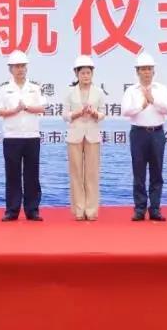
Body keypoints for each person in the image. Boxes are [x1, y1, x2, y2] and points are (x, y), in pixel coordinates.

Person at [0, 51, 46, 222]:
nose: (20, 69)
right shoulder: (4, 89)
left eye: (23, 66)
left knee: (32, 175)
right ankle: (12, 210)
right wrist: (15, 110)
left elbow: (42, 108)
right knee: (12, 175)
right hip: (12, 136)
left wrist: (27, 108)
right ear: (10, 69)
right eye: (16, 66)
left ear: (26, 68)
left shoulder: (35, 88)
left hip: (32, 136)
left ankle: (32, 210)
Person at [121, 51, 167, 222]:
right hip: (138, 133)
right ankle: (140, 209)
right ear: (137, 71)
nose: (146, 72)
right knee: (139, 173)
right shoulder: (131, 90)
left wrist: (153, 100)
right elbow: (125, 111)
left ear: (153, 71)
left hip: (157, 133)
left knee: (157, 172)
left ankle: (155, 209)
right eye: (143, 69)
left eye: (149, 69)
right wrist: (141, 106)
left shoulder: (161, 89)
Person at [62, 55, 106, 221]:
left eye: (88, 73)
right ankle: (79, 210)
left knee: (92, 174)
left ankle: (91, 210)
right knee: (76, 174)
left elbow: (103, 113)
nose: (86, 76)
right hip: (75, 135)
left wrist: (95, 113)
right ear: (76, 74)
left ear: (92, 73)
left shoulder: (99, 92)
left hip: (92, 136)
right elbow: (65, 115)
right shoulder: (69, 92)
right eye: (82, 73)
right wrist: (78, 113)